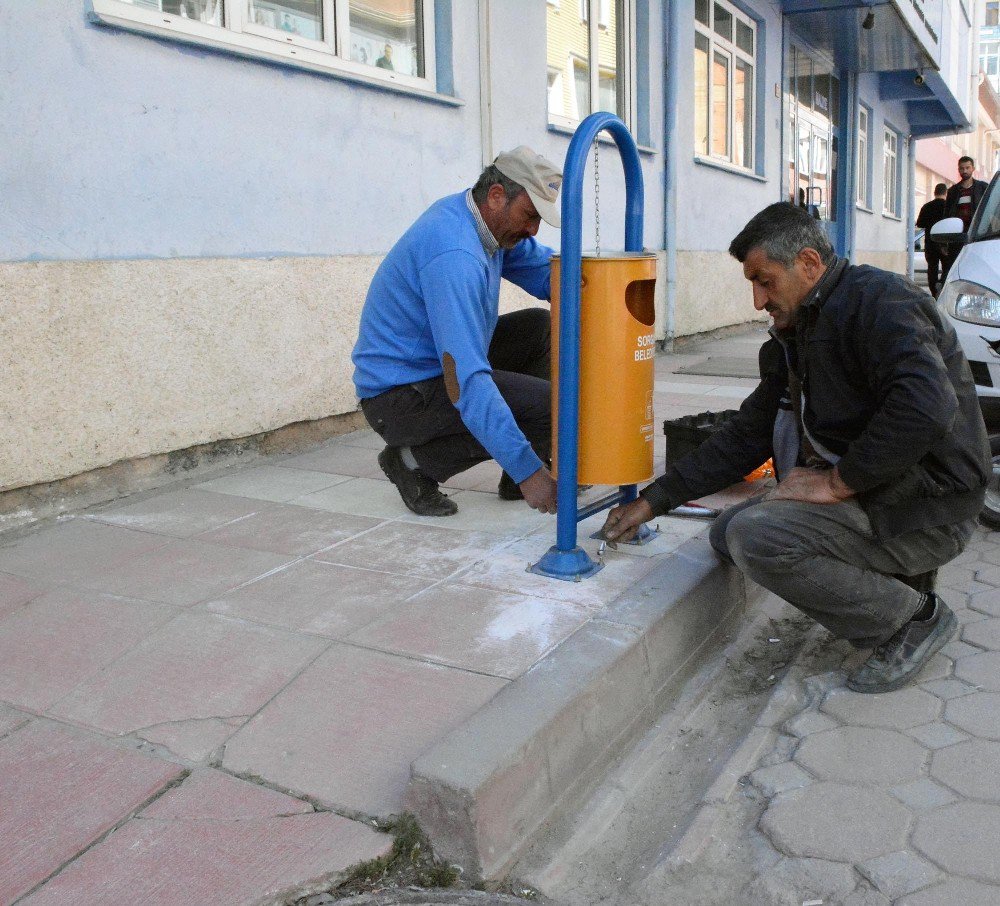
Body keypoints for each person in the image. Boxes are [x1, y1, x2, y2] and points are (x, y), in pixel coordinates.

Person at [601, 202, 990, 695]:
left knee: (757, 538)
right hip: (888, 489)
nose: (758, 300)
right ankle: (901, 579)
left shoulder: (882, 304)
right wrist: (654, 500)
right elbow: (748, 434)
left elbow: (926, 406)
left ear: (808, 263)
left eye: (764, 281)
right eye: (752, 284)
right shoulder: (799, 331)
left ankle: (912, 619)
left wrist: (837, 482)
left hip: (930, 505)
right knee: (727, 533)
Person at [352, 147, 562, 518]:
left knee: (538, 329)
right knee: (551, 406)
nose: (533, 230)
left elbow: (548, 274)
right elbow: (465, 379)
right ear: (497, 195)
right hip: (398, 395)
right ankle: (414, 462)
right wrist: (530, 473)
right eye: (529, 216)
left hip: (429, 366)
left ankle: (517, 469)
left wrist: (597, 283)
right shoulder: (454, 254)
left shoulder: (482, 223)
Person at [941, 156, 989, 281]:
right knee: (954, 268)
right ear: (958, 170)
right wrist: (945, 241)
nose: (965, 171)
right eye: (962, 168)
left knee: (977, 268)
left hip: (978, 236)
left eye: (967, 168)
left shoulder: (983, 188)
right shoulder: (953, 191)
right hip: (957, 237)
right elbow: (947, 215)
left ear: (973, 168)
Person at [916, 182, 947, 296]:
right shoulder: (948, 206)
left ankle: (934, 291)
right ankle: (942, 287)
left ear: (935, 193)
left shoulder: (927, 206)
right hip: (945, 243)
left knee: (932, 268)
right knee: (946, 267)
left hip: (930, 243)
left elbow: (920, 223)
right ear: (945, 193)